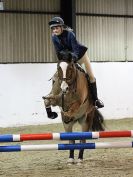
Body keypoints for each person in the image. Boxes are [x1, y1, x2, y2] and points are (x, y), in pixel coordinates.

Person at [46, 16, 104, 119]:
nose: (55, 30)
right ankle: (51, 95)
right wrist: (62, 61)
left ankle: (95, 100)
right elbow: (58, 52)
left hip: (80, 56)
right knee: (57, 75)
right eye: (53, 28)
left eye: (57, 28)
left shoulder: (70, 34)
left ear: (61, 27)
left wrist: (72, 58)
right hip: (66, 59)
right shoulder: (54, 37)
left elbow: (76, 50)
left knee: (91, 77)